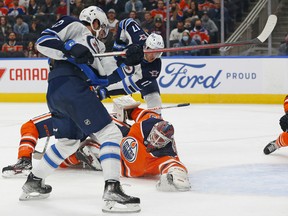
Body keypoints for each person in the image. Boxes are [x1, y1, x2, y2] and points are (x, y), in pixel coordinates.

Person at [18, 6, 143, 213]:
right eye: (101, 26)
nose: (103, 31)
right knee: (109, 132)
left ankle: (34, 181)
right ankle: (112, 189)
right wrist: (69, 47)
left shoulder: (99, 48)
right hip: (70, 84)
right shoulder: (73, 24)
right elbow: (43, 41)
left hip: (60, 91)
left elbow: (106, 78)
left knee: (68, 143)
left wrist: (129, 61)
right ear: (93, 20)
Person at [3, 95, 190, 192]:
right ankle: (84, 155)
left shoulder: (162, 149)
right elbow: (30, 127)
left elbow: (174, 166)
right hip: (109, 142)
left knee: (81, 153)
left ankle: (87, 156)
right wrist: (24, 157)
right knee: (73, 152)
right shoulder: (65, 116)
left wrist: (175, 177)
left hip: (119, 154)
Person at [98, 18, 165, 114]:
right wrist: (119, 46)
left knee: (155, 98)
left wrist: (107, 91)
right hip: (121, 65)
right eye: (151, 51)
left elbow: (127, 87)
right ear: (146, 46)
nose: (153, 56)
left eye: (158, 53)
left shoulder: (153, 69)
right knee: (101, 81)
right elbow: (126, 22)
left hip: (139, 75)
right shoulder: (139, 38)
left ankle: (155, 121)